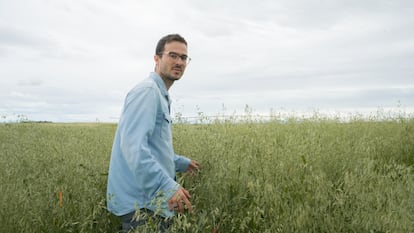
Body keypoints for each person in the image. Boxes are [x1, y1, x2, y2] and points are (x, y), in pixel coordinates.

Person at [106, 34, 200, 232]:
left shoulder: (160, 94)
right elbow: (134, 149)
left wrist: (180, 162)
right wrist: (168, 187)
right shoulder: (148, 92)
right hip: (141, 204)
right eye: (172, 55)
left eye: (184, 58)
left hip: (150, 201)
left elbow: (152, 147)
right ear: (156, 59)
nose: (179, 62)